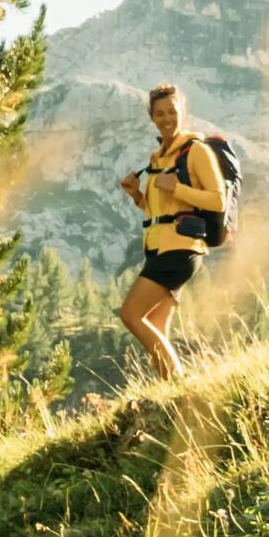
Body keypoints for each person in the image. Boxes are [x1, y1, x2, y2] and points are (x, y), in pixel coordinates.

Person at [115, 82, 225, 379]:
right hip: (159, 249)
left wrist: (178, 187)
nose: (166, 118)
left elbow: (218, 199)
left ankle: (179, 383)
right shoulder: (158, 159)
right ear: (152, 117)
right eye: (159, 113)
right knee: (156, 326)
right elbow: (160, 212)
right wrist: (137, 195)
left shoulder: (196, 151)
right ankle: (168, 394)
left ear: (183, 112)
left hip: (181, 250)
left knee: (131, 314)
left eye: (172, 111)